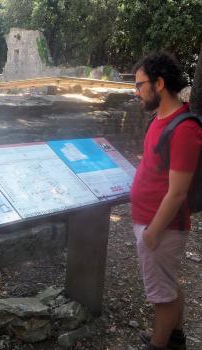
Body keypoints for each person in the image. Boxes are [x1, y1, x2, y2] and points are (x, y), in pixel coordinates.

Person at [130, 52, 202, 350]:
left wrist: (151, 235)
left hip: (162, 227)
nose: (136, 92)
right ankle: (175, 337)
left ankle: (159, 345)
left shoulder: (184, 129)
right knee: (169, 284)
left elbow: (177, 193)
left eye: (139, 85)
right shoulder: (160, 119)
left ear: (159, 83)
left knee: (162, 296)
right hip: (151, 222)